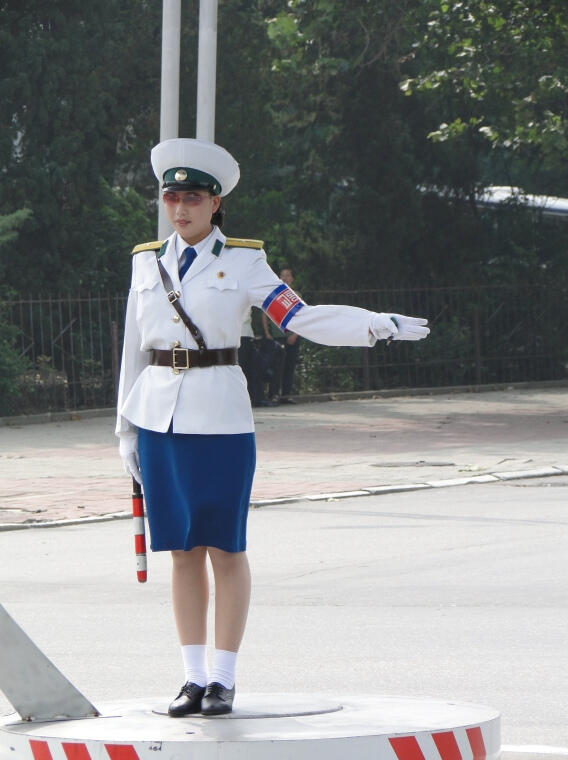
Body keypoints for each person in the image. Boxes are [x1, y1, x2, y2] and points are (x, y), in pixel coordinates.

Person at [116, 137, 430, 718]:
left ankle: (224, 679)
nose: (179, 207)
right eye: (171, 196)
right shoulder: (144, 261)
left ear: (216, 204)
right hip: (157, 417)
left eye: (192, 197)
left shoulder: (243, 262)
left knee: (225, 548)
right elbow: (134, 349)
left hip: (222, 421)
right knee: (181, 551)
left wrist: (375, 326)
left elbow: (301, 318)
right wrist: (125, 430)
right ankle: (190, 678)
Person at [261, 266, 300, 402]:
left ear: (292, 279)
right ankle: (274, 394)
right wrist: (267, 333)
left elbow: (301, 317)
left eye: (287, 275)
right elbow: (265, 315)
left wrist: (295, 335)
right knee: (277, 366)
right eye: (282, 275)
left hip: (292, 336)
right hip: (277, 337)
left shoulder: (297, 295)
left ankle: (286, 395)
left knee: (290, 366)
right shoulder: (274, 295)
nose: (284, 278)